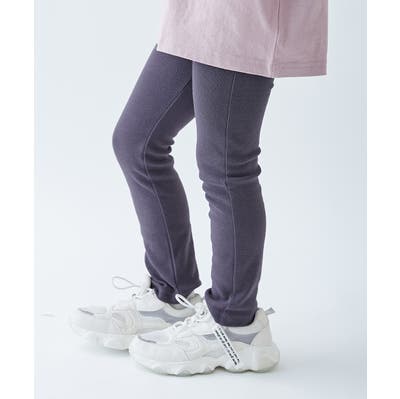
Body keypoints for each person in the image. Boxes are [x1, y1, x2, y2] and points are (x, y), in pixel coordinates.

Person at [70, 0, 328, 375]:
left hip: (242, 15)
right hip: (196, 12)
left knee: (226, 168)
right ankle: (170, 295)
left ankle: (235, 324)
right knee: (136, 142)